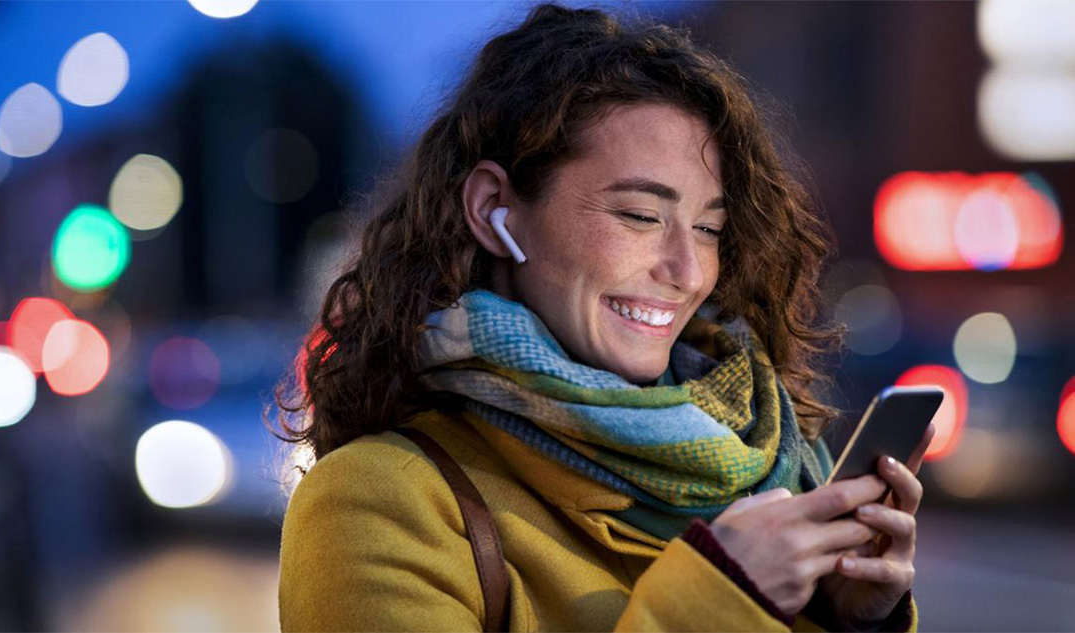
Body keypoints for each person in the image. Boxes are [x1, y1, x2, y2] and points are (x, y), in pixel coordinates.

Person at [275, 4, 934, 631]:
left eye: (708, 228)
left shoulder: (772, 467)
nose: (687, 271)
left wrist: (845, 614)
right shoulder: (377, 500)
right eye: (640, 216)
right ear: (493, 210)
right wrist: (723, 595)